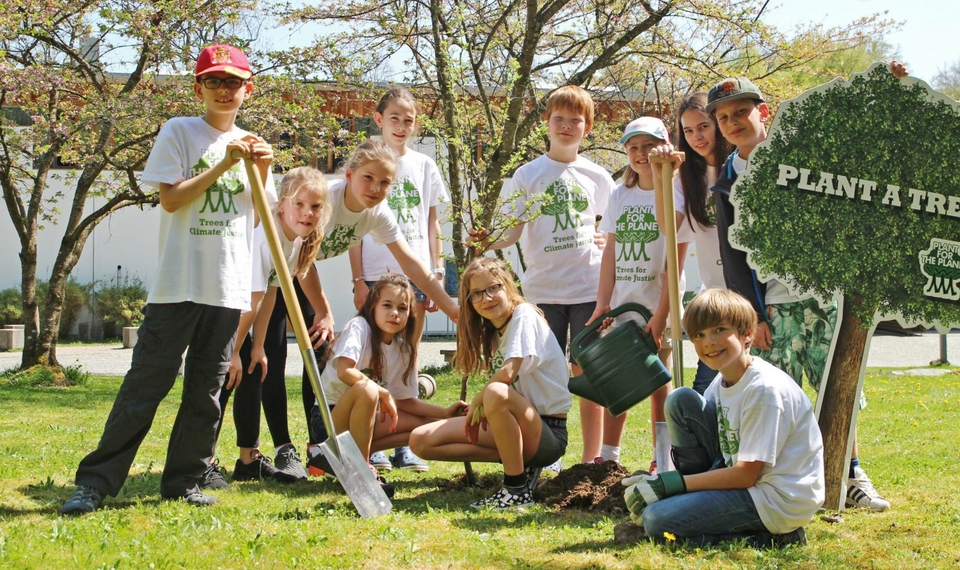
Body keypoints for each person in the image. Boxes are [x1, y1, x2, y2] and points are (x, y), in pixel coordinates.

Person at [61, 44, 275, 514]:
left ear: (248, 89)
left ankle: (184, 480)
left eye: (233, 81)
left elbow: (256, 222)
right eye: (215, 81)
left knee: (207, 391)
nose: (224, 90)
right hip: (178, 284)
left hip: (227, 286)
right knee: (146, 385)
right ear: (199, 88)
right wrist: (224, 165)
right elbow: (172, 200)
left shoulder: (254, 143)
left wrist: (261, 169)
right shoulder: (180, 132)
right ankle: (95, 483)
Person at [707, 70, 903, 511]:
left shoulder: (802, 159)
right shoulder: (726, 181)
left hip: (825, 298)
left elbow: (854, 143)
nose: (733, 122)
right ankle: (785, 482)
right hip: (772, 308)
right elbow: (732, 255)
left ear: (764, 112)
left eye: (742, 111)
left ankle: (850, 475)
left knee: (841, 389)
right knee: (779, 395)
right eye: (723, 117)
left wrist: (883, 90)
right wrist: (750, 316)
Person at [250, 139, 457, 474]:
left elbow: (411, 262)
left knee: (318, 350)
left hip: (299, 271)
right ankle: (282, 448)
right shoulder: (325, 201)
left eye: (385, 182)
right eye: (368, 178)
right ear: (349, 175)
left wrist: (451, 307)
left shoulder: (378, 213)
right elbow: (301, 258)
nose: (375, 188)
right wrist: (324, 309)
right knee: (270, 355)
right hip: (271, 269)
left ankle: (318, 449)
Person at [468, 85, 613, 467]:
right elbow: (510, 230)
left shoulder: (597, 176)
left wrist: (605, 237)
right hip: (542, 293)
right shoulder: (527, 175)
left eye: (575, 120)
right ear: (546, 123)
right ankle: (545, 449)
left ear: (588, 127)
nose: (566, 126)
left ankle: (591, 457)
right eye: (559, 118)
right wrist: (488, 237)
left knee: (589, 373)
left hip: (587, 289)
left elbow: (612, 225)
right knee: (536, 372)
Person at [623, 289, 822, 547]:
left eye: (719, 330)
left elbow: (746, 475)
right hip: (747, 484)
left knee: (657, 521)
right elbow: (723, 453)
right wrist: (664, 484)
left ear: (747, 333)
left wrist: (671, 485)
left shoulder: (764, 391)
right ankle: (691, 501)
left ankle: (777, 538)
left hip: (775, 500)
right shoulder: (722, 381)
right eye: (699, 335)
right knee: (680, 401)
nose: (709, 342)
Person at [409, 257, 570, 510]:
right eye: (476, 294)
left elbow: (506, 375)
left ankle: (516, 490)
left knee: (495, 391)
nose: (486, 298)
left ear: (507, 285)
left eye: (493, 288)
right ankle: (518, 464)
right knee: (421, 440)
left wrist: (478, 401)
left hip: (547, 433)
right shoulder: (493, 331)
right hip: (515, 424)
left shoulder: (524, 315)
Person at [348, 87, 449, 472]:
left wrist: (435, 272)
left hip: (417, 275)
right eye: (394, 118)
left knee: (407, 356)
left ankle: (403, 447)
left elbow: (431, 221)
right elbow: (353, 225)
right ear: (379, 120)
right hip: (375, 271)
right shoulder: (367, 159)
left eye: (409, 120)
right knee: (372, 358)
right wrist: (358, 277)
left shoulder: (425, 165)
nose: (402, 126)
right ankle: (371, 441)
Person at [214, 167, 330, 484]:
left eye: (316, 207)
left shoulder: (292, 241)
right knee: (224, 376)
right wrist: (235, 351)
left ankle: (247, 461)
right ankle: (201, 460)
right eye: (300, 204)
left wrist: (258, 347)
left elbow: (270, 292)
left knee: (252, 370)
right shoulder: (267, 238)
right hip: (219, 305)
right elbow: (252, 301)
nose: (308, 213)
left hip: (242, 310)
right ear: (281, 205)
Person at [588, 117, 690, 476]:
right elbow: (610, 254)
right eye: (633, 147)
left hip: (657, 305)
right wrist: (603, 303)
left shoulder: (676, 191)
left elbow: (674, 265)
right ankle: (608, 455)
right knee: (620, 381)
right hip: (622, 304)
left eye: (648, 145)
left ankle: (661, 458)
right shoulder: (620, 194)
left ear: (663, 146)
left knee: (658, 384)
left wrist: (661, 316)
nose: (640, 153)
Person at [307, 274, 467, 497]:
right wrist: (380, 390)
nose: (395, 313)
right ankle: (361, 474)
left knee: (423, 426)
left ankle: (334, 461)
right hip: (328, 421)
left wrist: (445, 414)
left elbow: (405, 401)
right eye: (387, 305)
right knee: (366, 388)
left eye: (402, 308)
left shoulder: (404, 349)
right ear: (373, 306)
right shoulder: (359, 327)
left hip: (363, 418)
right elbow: (345, 371)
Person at [674, 92, 732, 395]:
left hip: (750, 298)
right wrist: (664, 172)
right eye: (688, 130)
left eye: (703, 126)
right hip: (714, 299)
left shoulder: (738, 167)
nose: (697, 136)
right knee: (703, 394)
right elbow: (668, 228)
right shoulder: (686, 178)